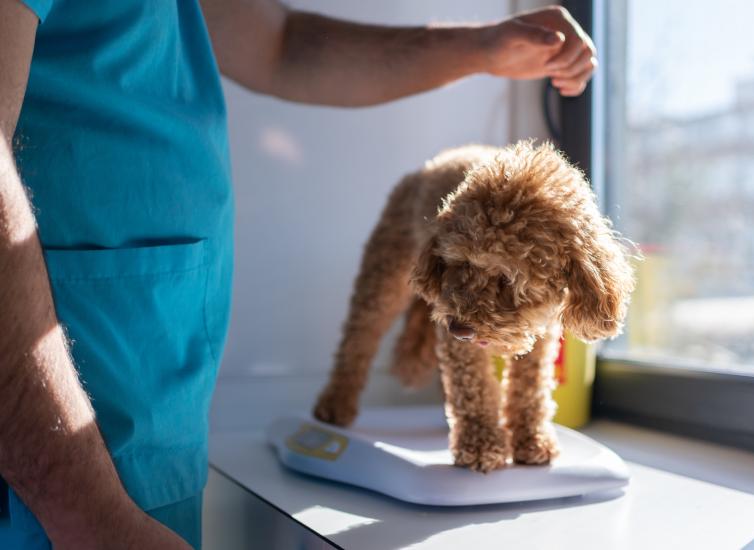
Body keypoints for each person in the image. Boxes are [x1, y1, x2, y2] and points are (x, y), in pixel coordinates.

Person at [0, 1, 597, 548]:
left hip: (150, 411)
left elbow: (276, 44)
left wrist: (481, 48)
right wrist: (84, 511)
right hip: (49, 447)